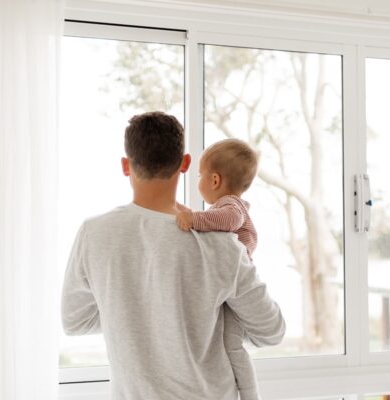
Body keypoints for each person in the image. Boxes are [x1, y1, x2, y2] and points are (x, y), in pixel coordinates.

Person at [61, 111, 285, 400]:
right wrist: (192, 319)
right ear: (185, 164)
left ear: (125, 166)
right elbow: (271, 330)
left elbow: (75, 321)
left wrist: (134, 314)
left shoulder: (94, 234)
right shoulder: (222, 244)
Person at [176, 138, 262, 400]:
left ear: (214, 180)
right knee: (226, 345)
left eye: (200, 175)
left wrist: (193, 218)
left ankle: (250, 395)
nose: (198, 180)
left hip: (236, 289)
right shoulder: (224, 206)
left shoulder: (231, 207)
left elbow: (228, 220)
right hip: (228, 288)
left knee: (233, 347)